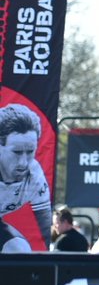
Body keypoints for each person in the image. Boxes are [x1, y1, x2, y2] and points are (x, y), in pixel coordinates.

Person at [0, 103, 51, 248]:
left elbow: (45, 226)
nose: (23, 163)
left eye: (30, 152)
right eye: (16, 152)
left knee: (19, 248)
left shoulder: (35, 176)